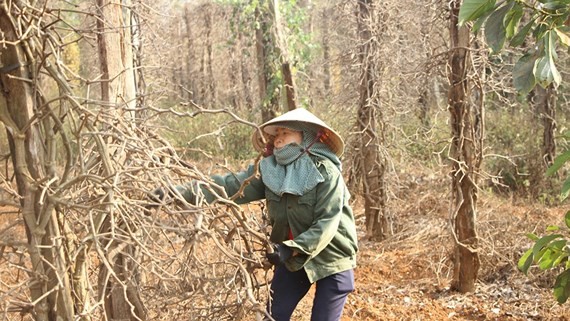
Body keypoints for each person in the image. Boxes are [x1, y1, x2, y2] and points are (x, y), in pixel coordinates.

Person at [159, 108, 358, 321]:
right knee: (273, 316)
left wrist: (290, 249)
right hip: (293, 258)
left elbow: (328, 221)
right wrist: (177, 193)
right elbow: (228, 186)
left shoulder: (327, 171)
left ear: (305, 136)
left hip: (331, 258)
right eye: (277, 134)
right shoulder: (270, 171)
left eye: (285, 133)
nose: (278, 139)